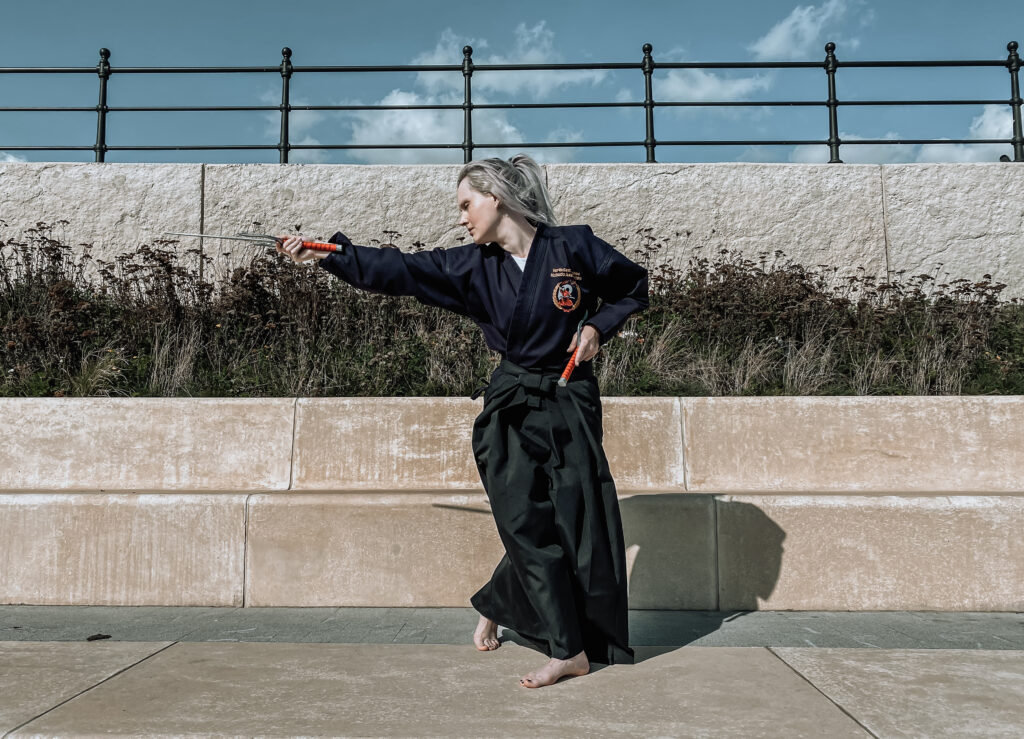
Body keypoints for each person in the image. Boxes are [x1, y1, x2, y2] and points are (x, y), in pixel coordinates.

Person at [275, 153, 648, 688]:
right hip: (512, 404)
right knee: (523, 520)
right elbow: (399, 269)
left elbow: (634, 288)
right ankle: (568, 650)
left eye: (466, 204)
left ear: (496, 198)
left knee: (575, 521)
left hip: (571, 400)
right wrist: (327, 254)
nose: (462, 217)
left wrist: (597, 329)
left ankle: (500, 600)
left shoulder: (574, 245)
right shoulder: (471, 266)